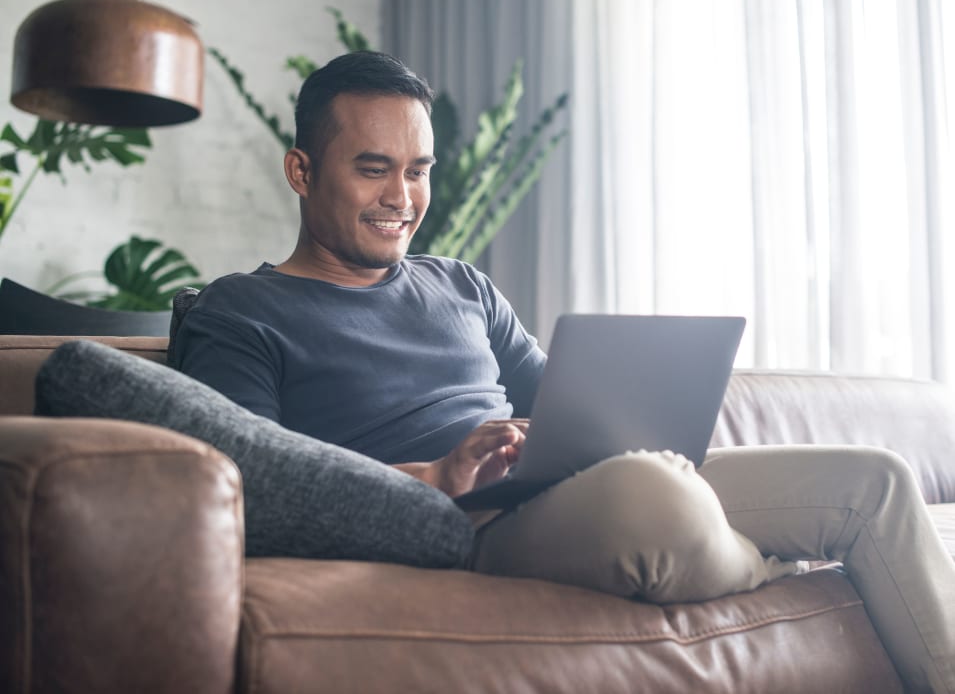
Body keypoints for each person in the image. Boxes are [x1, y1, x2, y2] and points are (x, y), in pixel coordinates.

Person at [173, 51, 954, 693]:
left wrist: (615, 424)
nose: (401, 198)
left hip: (574, 494)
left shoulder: (460, 285)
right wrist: (437, 475)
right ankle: (776, 561)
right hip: (458, 526)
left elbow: (569, 408)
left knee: (873, 480)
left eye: (418, 170)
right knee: (657, 499)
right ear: (302, 170)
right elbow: (251, 488)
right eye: (373, 169)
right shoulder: (239, 312)